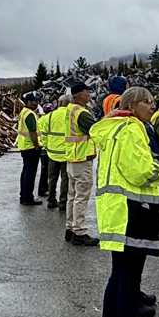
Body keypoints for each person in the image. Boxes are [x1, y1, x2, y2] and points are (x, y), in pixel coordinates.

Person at [93, 86, 159, 317]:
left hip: (116, 212)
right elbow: (140, 171)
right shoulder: (131, 129)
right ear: (132, 105)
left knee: (118, 279)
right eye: (147, 102)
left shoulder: (112, 129)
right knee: (128, 283)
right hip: (132, 213)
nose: (153, 106)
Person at [62, 80, 98, 244]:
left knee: (73, 195)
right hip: (82, 158)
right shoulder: (81, 113)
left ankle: (70, 228)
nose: (89, 95)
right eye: (87, 92)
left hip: (72, 158)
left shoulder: (69, 110)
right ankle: (79, 232)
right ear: (80, 94)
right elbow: (96, 130)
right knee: (81, 196)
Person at [42, 93, 70, 209]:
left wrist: (47, 147)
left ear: (59, 103)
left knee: (52, 178)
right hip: (66, 153)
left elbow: (44, 134)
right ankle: (63, 202)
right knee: (65, 179)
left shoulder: (49, 116)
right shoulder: (70, 116)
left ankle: (51, 200)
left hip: (52, 153)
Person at [16, 91, 41, 205]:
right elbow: (33, 132)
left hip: (24, 146)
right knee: (30, 173)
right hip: (31, 147)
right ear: (29, 102)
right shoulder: (30, 114)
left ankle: (23, 195)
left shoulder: (23, 112)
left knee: (26, 171)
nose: (37, 103)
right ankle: (28, 197)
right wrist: (36, 145)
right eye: (35, 101)